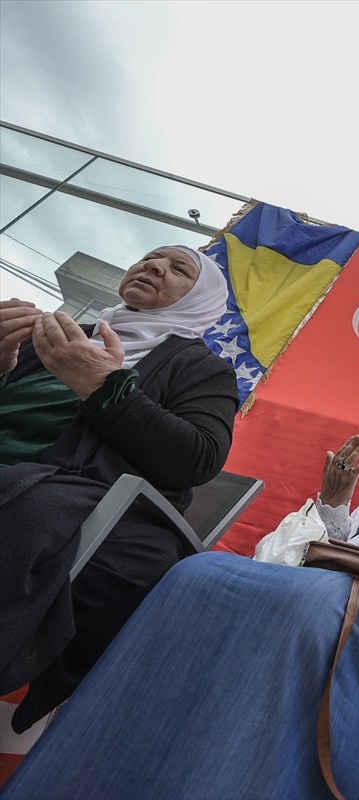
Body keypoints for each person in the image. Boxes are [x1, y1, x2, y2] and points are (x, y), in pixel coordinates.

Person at [2, 391, 359, 799]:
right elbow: (341, 550)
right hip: (349, 585)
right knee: (196, 575)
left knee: (310, 604)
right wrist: (336, 503)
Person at [0, 245, 237, 732]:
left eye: (179, 270)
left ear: (203, 301)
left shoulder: (200, 367)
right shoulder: (68, 334)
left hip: (69, 488)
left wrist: (103, 383)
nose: (154, 267)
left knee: (28, 502)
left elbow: (198, 458)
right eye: (151, 258)